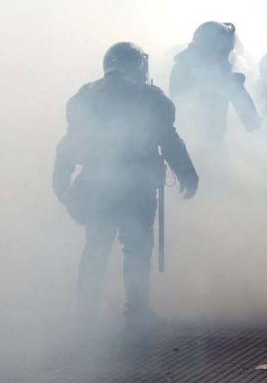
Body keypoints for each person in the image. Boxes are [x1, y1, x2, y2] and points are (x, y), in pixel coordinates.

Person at [52, 42, 199, 326]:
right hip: (138, 188)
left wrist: (60, 182)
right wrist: (187, 174)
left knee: (96, 246)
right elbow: (168, 140)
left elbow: (69, 144)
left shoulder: (85, 96)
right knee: (137, 249)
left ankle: (85, 313)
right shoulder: (151, 97)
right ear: (139, 66)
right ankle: (137, 312)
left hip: (98, 185)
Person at [168, 21, 261, 147]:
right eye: (225, 51)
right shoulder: (218, 75)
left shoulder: (181, 65)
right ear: (218, 49)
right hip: (210, 145)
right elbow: (252, 121)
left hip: (183, 139)